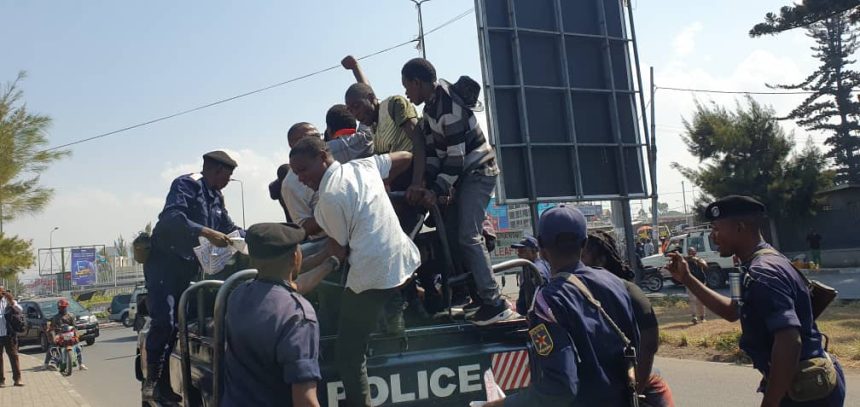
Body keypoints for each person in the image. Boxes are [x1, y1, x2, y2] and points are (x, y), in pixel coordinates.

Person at [667, 195, 846, 406]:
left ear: (740, 227)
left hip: (806, 391)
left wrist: (770, 402)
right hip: (801, 381)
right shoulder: (754, 263)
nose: (713, 236)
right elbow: (732, 311)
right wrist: (687, 278)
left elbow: (789, 340)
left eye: (716, 229)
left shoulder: (763, 272)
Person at [289, 136, 420, 407]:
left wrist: (294, 270)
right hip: (402, 259)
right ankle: (394, 310)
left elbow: (337, 250)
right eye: (296, 173)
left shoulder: (328, 199)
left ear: (323, 158)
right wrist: (386, 186)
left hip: (373, 273)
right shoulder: (364, 166)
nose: (301, 178)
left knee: (348, 352)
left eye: (303, 170)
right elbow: (406, 157)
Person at [482, 205, 640, 406]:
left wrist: (500, 405)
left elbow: (560, 388)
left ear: (541, 247)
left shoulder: (547, 301)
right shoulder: (616, 284)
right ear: (583, 244)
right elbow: (635, 351)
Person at [401, 57, 512, 326]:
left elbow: (455, 159)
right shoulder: (430, 109)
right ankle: (476, 297)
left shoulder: (448, 107)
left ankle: (494, 302)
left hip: (478, 173)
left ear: (418, 82)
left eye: (407, 87)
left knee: (468, 236)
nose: (406, 93)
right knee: (450, 235)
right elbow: (433, 156)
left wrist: (435, 188)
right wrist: (423, 184)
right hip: (461, 177)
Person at [142, 150, 243, 403]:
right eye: (227, 177)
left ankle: (168, 384)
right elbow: (171, 219)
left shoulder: (216, 196)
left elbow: (228, 229)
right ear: (216, 171)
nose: (227, 184)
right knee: (164, 320)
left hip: (189, 265)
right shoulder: (187, 184)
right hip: (164, 263)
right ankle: (153, 382)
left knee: (183, 324)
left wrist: (253, 235)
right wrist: (207, 232)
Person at [222, 223, 342, 407]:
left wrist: (329, 263)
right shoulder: (298, 315)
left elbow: (286, 288)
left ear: (253, 261)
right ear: (295, 257)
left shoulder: (237, 295)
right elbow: (305, 401)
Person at [583, 231, 674, 407]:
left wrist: (635, 390)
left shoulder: (628, 291)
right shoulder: (579, 293)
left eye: (583, 256)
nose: (579, 262)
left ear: (601, 260)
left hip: (639, 383)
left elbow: (649, 344)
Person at [281, 120, 373, 239]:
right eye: (311, 137)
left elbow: (401, 158)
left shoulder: (332, 154)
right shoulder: (290, 184)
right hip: (329, 242)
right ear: (292, 144)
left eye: (318, 136)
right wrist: (333, 212)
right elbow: (303, 227)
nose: (318, 140)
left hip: (361, 229)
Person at [510, 236, 550, 316]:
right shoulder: (535, 266)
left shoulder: (535, 270)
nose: (519, 254)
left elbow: (528, 303)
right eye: (518, 251)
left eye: (523, 251)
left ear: (534, 251)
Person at [44, 298, 86, 371]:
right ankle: (46, 364)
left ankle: (81, 364)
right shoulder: (55, 317)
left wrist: (76, 334)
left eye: (64, 307)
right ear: (58, 308)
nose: (62, 309)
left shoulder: (71, 316)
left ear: (66, 307)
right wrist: (53, 336)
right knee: (52, 347)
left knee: (78, 347)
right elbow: (52, 328)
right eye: (61, 307)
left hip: (70, 334)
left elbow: (75, 327)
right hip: (60, 335)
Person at [0, 286, 23, 387]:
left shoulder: (8, 301)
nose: (2, 293)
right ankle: (1, 381)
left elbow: (20, 310)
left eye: (2, 292)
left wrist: (11, 301)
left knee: (14, 356)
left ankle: (17, 379)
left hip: (9, 334)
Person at [685, 247, 709, 324]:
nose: (691, 253)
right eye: (689, 252)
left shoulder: (699, 259)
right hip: (690, 282)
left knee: (701, 300)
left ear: (695, 253)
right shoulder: (685, 261)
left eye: (692, 252)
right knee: (692, 300)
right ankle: (694, 317)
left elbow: (705, 266)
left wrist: (696, 260)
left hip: (700, 282)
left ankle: (702, 317)